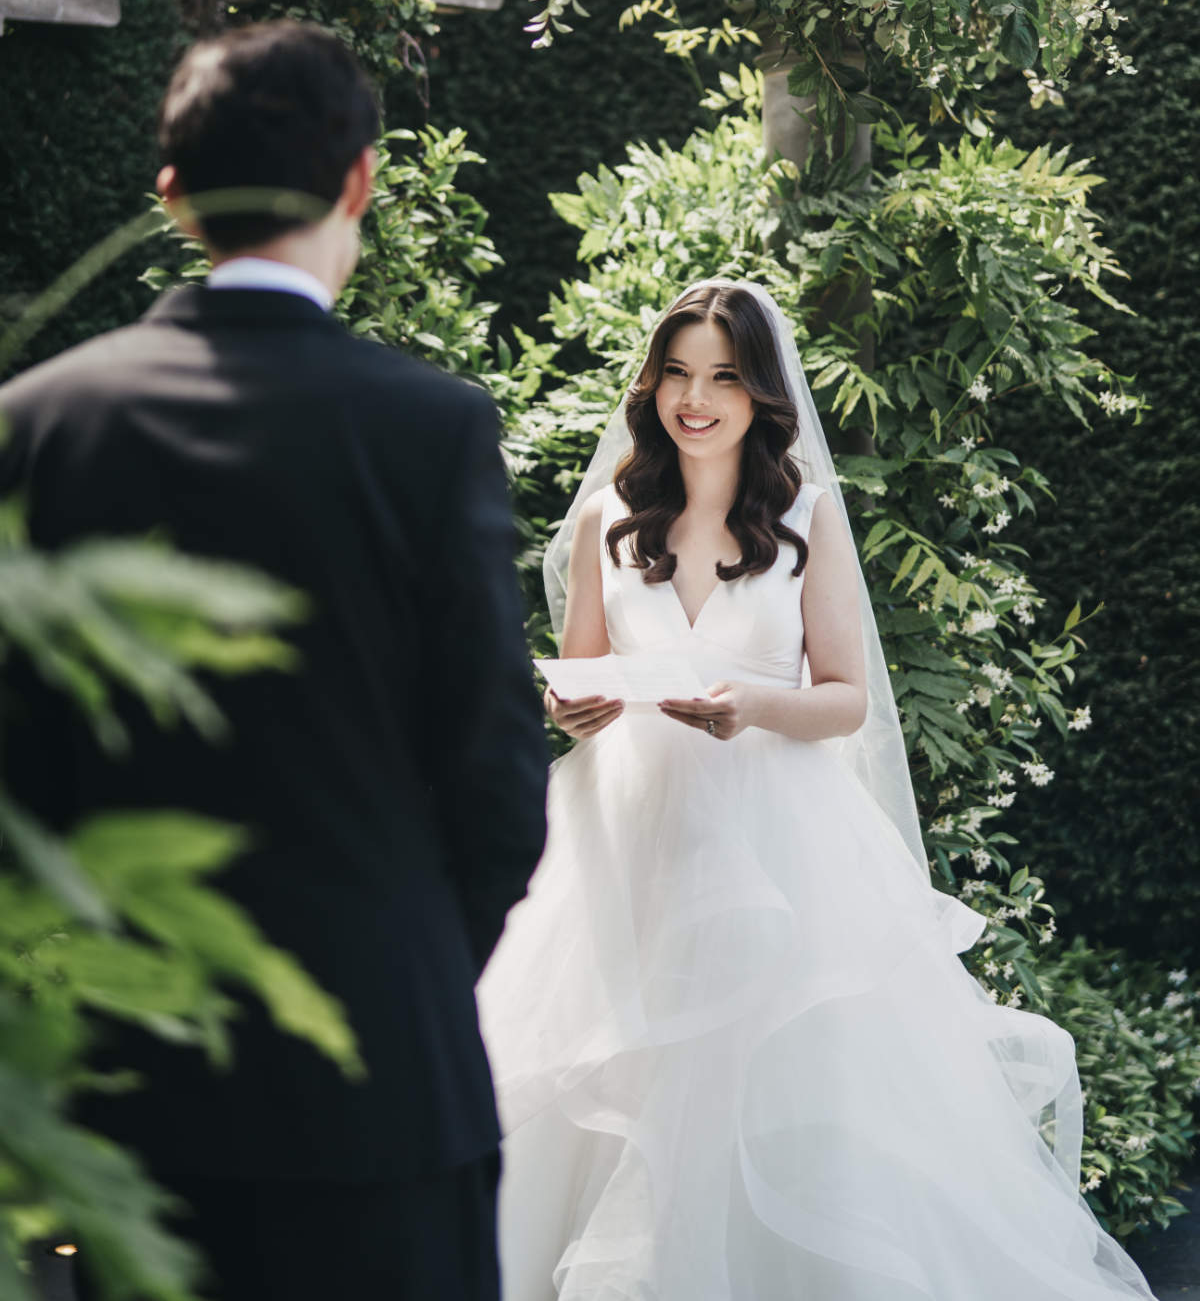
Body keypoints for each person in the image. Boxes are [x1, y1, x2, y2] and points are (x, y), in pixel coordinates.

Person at [0, 20, 548, 1301]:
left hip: (124, 1105)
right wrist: (398, 951)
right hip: (382, 1082)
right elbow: (496, 778)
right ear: (360, 179)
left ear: (172, 196)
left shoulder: (35, 425)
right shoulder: (430, 427)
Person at [477, 277, 1162, 1300]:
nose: (694, 397)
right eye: (676, 372)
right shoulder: (610, 514)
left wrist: (751, 705)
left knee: (784, 1093)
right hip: (622, 843)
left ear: (762, 393)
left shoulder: (806, 509)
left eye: (721, 376)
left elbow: (843, 697)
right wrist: (573, 706)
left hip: (776, 844)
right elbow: (582, 671)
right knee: (610, 1091)